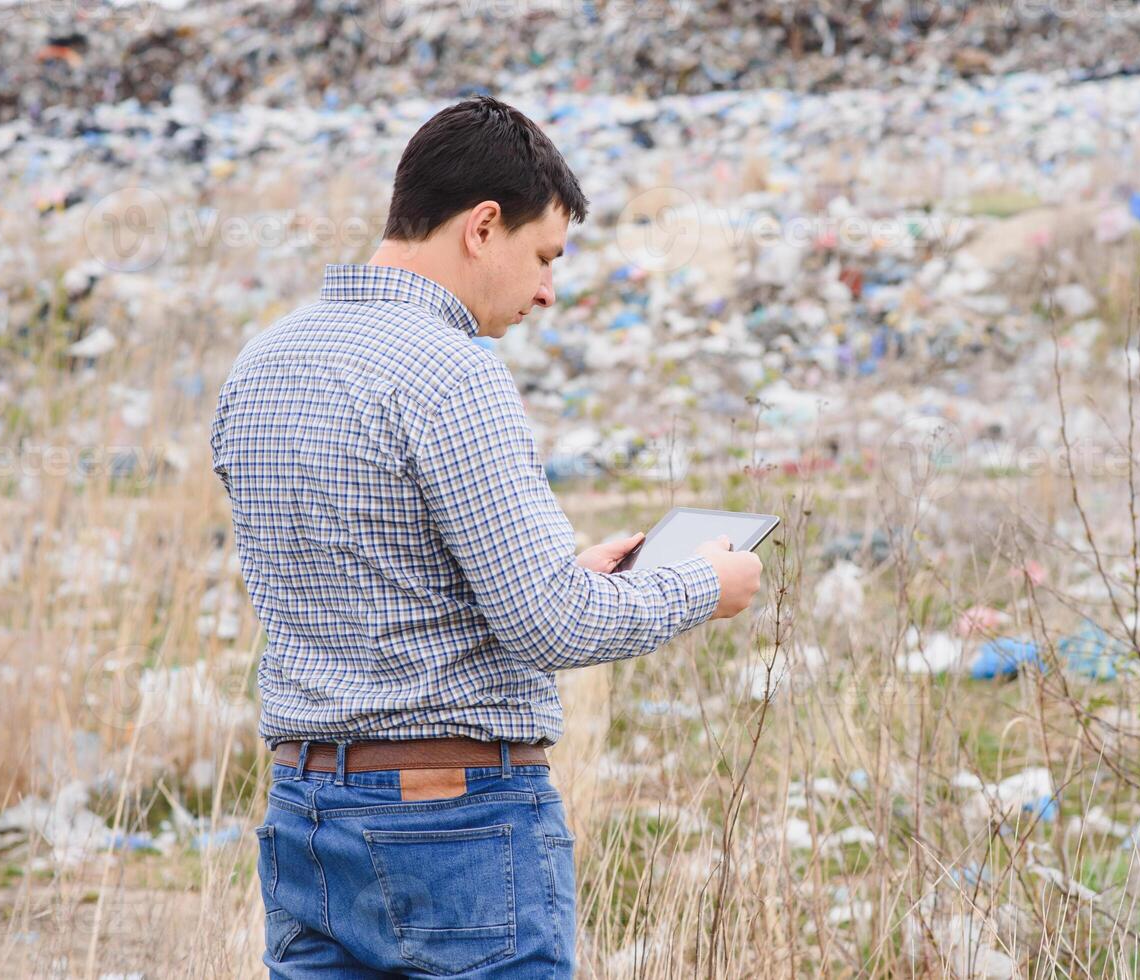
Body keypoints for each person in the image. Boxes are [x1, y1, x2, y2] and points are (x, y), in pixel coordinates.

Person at [209, 96, 763, 979]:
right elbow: (555, 627)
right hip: (455, 823)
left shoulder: (264, 362)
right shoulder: (454, 370)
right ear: (483, 226)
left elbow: (372, 576)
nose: (548, 289)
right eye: (544, 256)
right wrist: (703, 586)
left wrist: (562, 570)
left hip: (305, 815)